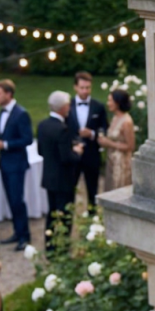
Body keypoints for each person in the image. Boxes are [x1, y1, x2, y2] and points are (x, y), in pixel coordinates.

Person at [36, 91, 84, 246]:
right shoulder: (62, 129)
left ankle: (50, 244)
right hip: (63, 179)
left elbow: (40, 151)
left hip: (49, 177)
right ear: (63, 107)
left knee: (52, 213)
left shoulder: (42, 125)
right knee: (64, 215)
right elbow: (67, 158)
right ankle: (62, 246)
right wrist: (77, 152)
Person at [0, 80, 33, 252]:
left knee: (17, 200)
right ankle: (17, 231)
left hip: (16, 164)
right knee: (11, 200)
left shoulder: (21, 114)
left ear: (8, 94)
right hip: (5, 164)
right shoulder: (2, 113)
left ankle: (24, 236)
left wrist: (5, 144)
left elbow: (27, 139)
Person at [66, 71, 109, 212]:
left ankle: (93, 220)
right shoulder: (67, 106)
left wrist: (91, 133)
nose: (85, 91)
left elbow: (105, 128)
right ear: (75, 87)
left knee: (93, 190)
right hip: (72, 155)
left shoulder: (98, 106)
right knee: (69, 189)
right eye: (82, 87)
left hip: (92, 155)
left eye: (88, 88)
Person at [99, 89, 136, 191]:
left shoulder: (126, 121)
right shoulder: (115, 117)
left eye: (110, 101)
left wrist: (109, 143)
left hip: (121, 164)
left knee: (118, 189)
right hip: (111, 160)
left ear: (118, 102)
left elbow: (130, 146)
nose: (108, 103)